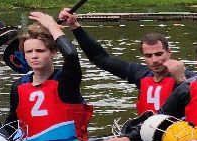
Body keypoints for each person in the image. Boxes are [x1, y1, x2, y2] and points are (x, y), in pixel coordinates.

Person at [58, 8, 187, 113]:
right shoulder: (139, 73)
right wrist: (75, 26)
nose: (154, 60)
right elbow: (100, 58)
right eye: (148, 56)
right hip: (144, 133)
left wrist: (181, 80)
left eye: (159, 54)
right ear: (143, 57)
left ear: (169, 52)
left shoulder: (187, 75)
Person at [9, 11, 93, 141]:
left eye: (40, 51)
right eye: (29, 52)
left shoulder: (65, 80)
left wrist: (51, 26)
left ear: (53, 52)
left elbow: (71, 55)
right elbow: (11, 124)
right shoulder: (19, 86)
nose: (34, 56)